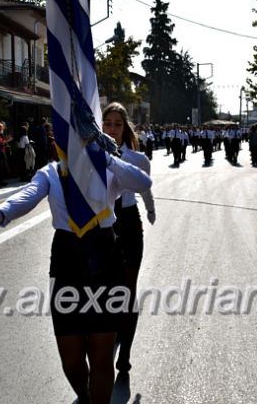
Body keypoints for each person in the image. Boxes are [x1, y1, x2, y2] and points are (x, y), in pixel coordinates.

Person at [0, 138, 151, 404]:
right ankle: (85, 397)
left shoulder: (108, 169)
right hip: (67, 258)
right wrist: (0, 212)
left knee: (101, 353)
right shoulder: (51, 172)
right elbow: (29, 194)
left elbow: (143, 182)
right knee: (71, 359)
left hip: (104, 254)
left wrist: (108, 157)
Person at [101, 102, 156, 374]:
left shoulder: (137, 158)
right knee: (109, 291)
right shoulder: (92, 157)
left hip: (129, 224)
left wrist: (151, 208)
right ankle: (110, 340)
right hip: (104, 227)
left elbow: (144, 187)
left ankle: (125, 353)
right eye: (107, 123)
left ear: (125, 128)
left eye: (117, 124)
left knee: (128, 290)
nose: (112, 129)